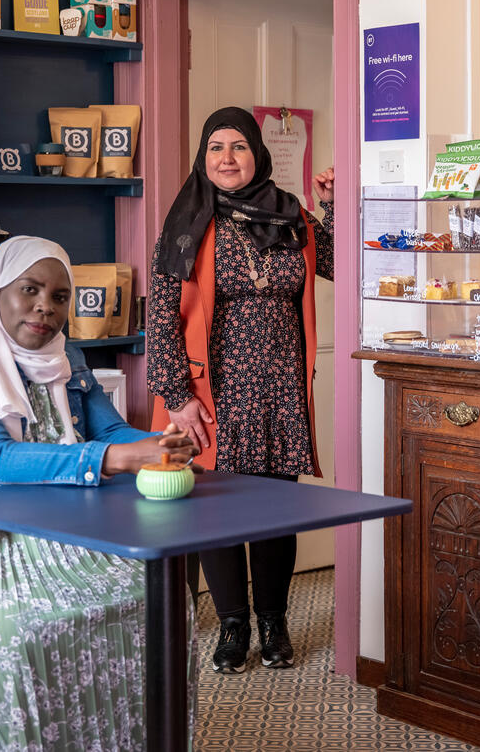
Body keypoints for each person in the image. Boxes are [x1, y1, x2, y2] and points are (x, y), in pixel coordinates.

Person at [0, 235, 198, 752]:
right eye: (30, 290)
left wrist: (157, 443)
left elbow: (109, 432)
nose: (45, 306)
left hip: (65, 534)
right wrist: (113, 459)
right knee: (23, 632)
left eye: (60, 297)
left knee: (164, 604)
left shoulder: (69, 360)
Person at [147, 106, 334, 674]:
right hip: (211, 388)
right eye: (216, 149)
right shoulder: (188, 222)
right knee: (216, 508)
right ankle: (233, 623)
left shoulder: (291, 216)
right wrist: (176, 394)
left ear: (257, 153)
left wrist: (332, 206)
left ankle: (273, 621)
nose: (227, 159)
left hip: (278, 386)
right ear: (204, 159)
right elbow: (160, 316)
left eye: (238, 147)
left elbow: (347, 264)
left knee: (276, 508)